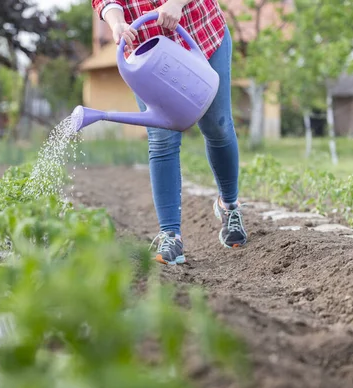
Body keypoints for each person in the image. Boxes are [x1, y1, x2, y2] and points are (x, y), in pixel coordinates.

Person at [91, 0, 248, 265]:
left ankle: (229, 206)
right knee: (161, 139)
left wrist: (176, 3)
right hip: (148, 55)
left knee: (218, 126)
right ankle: (170, 235)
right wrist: (117, 23)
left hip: (200, 34)